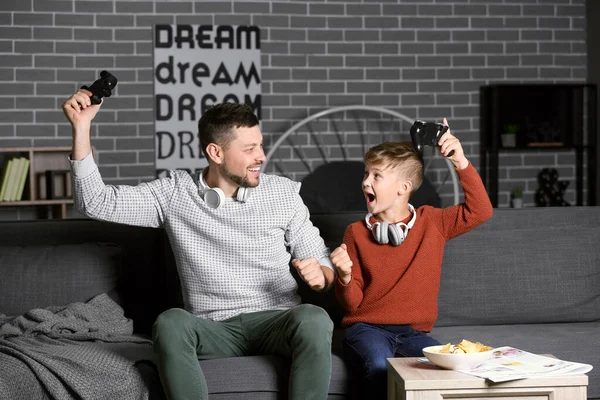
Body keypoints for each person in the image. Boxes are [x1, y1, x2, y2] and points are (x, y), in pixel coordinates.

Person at [62, 89, 336, 400]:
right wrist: (81, 128)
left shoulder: (283, 193)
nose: (261, 157)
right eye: (249, 149)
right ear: (216, 153)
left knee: (314, 317)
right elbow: (95, 203)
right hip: (213, 328)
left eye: (260, 146)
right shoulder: (175, 193)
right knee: (170, 322)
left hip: (278, 321)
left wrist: (321, 275)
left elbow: (320, 261)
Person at [329, 119, 493, 400]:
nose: (365, 181)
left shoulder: (435, 223)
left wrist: (460, 162)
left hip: (414, 334)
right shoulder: (355, 233)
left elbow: (480, 211)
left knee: (447, 373)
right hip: (367, 329)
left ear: (403, 188)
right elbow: (352, 304)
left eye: (376, 176)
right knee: (379, 366)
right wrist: (344, 277)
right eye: (366, 174)